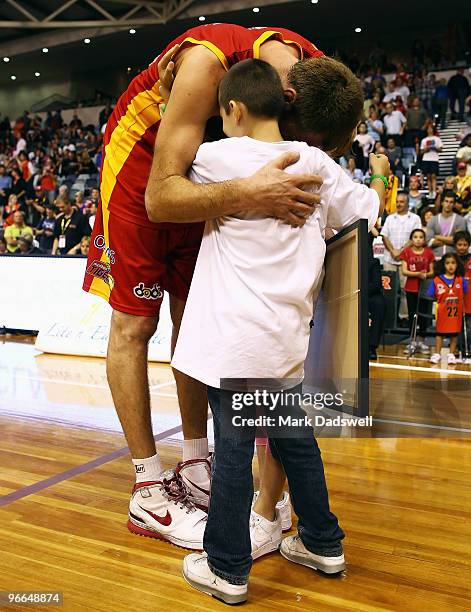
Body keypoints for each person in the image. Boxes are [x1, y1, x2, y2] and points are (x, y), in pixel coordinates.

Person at [81, 23, 365, 547]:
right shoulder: (205, 65)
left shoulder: (323, 76)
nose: (302, 150)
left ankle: (194, 463)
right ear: (286, 98)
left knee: (196, 311)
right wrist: (250, 191)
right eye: (301, 138)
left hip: (215, 173)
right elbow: (160, 198)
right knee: (136, 323)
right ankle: (147, 488)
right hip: (147, 167)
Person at [170, 58, 387, 604]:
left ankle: (227, 567)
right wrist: (379, 174)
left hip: (233, 344)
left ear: (234, 110)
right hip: (286, 345)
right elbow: (366, 211)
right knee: (297, 445)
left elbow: (169, 190)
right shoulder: (316, 163)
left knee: (235, 452)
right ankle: (322, 542)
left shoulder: (217, 157)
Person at [381, 192, 421, 322]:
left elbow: (415, 237)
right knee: (389, 290)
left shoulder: (415, 218)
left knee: (405, 291)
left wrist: (401, 252)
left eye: (401, 202)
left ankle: (404, 318)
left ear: (407, 203)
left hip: (406, 260)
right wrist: (393, 250)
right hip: (389, 259)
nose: (398, 204)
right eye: (397, 201)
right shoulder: (390, 218)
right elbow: (384, 236)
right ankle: (389, 318)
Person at [428, 253, 467, 364]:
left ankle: (451, 354)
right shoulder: (437, 280)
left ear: (457, 265)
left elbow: (464, 292)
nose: (450, 266)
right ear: (443, 265)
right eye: (447, 263)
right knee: (439, 333)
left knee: (454, 333)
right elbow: (431, 293)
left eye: (453, 263)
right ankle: (437, 353)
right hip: (442, 311)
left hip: (456, 311)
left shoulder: (460, 280)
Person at [400, 229, 435, 353]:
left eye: (421, 237)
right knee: (412, 314)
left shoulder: (429, 253)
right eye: (415, 237)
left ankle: (422, 340)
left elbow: (432, 271)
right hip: (411, 287)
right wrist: (417, 274)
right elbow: (404, 271)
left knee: (424, 315)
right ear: (412, 239)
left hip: (425, 288)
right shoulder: (407, 252)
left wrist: (425, 275)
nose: (418, 239)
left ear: (424, 239)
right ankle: (412, 341)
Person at [426, 191, 467, 259]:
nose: (448, 204)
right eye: (446, 201)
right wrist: (450, 240)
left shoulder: (460, 220)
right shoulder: (432, 220)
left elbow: (459, 241)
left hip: (454, 258)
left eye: (451, 202)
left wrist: (436, 236)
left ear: (454, 204)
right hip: (435, 257)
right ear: (442, 203)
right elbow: (429, 242)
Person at [368, 233, 386, 360]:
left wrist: (361, 291)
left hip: (369, 294)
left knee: (380, 304)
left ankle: (371, 347)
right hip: (351, 294)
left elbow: (376, 285)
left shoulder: (374, 261)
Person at [454, 231, 471, 362]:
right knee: (456, 325)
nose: (462, 247)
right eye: (459, 244)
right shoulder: (451, 259)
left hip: (469, 298)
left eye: (465, 244)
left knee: (468, 325)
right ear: (455, 245)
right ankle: (458, 349)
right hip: (454, 299)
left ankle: (468, 349)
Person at [420, 122, 443, 198]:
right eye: (428, 129)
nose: (430, 130)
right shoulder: (424, 140)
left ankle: (434, 191)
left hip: (434, 158)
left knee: (433, 175)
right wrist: (426, 149)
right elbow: (421, 151)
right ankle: (430, 192)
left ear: (433, 130)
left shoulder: (437, 139)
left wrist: (435, 148)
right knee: (428, 176)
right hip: (426, 158)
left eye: (431, 129)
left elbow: (440, 149)